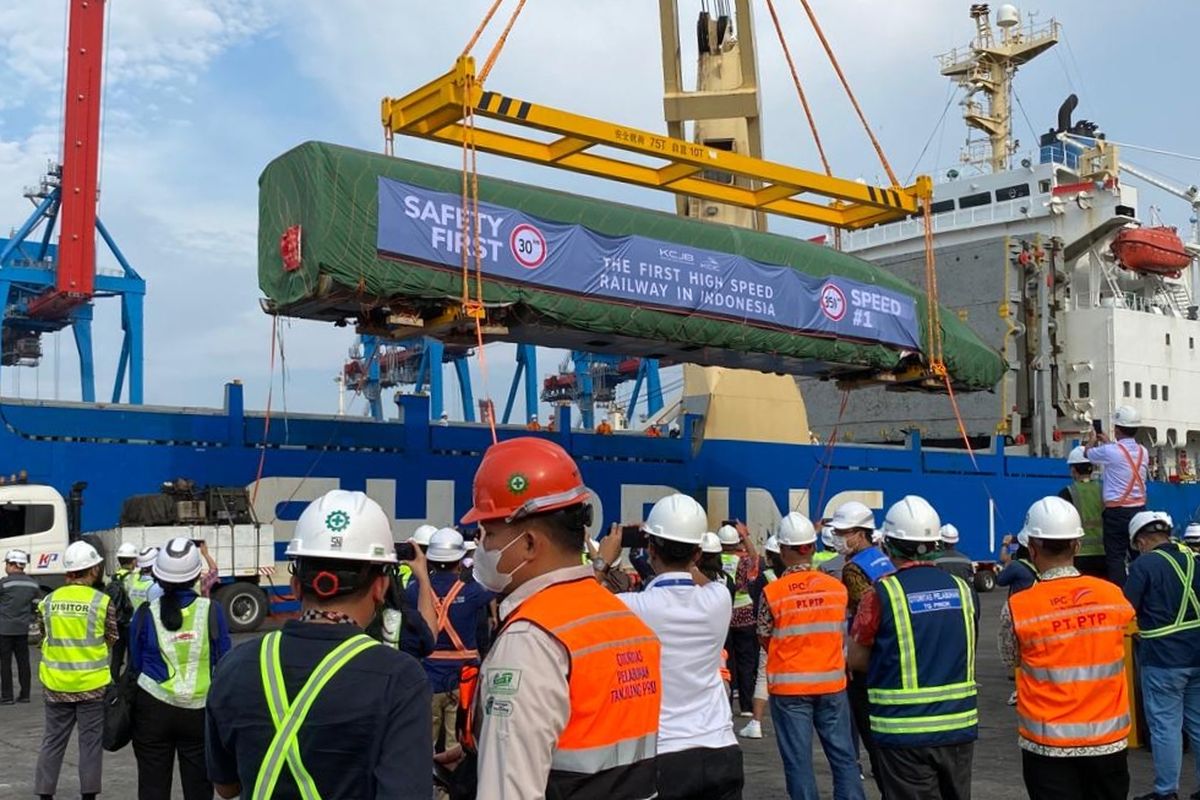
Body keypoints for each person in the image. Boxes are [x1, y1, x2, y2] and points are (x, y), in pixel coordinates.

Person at [438, 437, 661, 800]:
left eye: (490, 533)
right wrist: (480, 752)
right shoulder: (626, 621)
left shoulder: (530, 640)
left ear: (529, 544)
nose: (482, 546)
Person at [205, 490, 432, 799]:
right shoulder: (400, 678)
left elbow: (226, 786)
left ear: (297, 586)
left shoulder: (235, 665)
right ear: (381, 586)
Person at [605, 493, 743, 800]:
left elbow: (582, 603)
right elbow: (698, 578)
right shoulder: (718, 598)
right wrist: (683, 548)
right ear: (697, 552)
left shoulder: (632, 606)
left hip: (666, 753)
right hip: (721, 747)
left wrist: (603, 560)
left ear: (650, 549)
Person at [999, 496, 1135, 800]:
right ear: (1077, 545)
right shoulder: (1113, 595)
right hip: (1108, 742)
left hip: (1048, 747)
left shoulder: (1019, 606)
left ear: (1032, 548)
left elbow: (1011, 658)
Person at [848, 495, 978, 800]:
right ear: (934, 544)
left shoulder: (881, 594)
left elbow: (856, 658)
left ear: (887, 543)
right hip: (958, 726)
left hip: (903, 732)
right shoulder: (962, 589)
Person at [762, 512, 865, 800]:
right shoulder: (837, 588)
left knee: (799, 764)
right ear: (813, 547)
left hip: (790, 689)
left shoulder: (773, 592)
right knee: (844, 758)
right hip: (833, 685)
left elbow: (764, 636)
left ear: (782, 550)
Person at [129, 537, 232, 800]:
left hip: (153, 707)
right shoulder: (213, 611)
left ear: (158, 576)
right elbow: (224, 660)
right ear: (197, 574)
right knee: (199, 787)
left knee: (152, 786)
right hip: (199, 711)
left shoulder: (144, 614)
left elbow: (137, 664)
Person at [1124, 511, 1200, 800]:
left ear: (1142, 541)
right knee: (1198, 724)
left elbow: (1126, 608)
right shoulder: (1194, 560)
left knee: (1166, 726)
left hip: (1163, 660)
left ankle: (1166, 791)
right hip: (1197, 656)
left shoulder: (1144, 565)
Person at [34, 540, 117, 800]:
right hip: (91, 686)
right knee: (90, 743)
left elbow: (43, 636)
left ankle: (45, 793)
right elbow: (112, 636)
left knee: (52, 742)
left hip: (56, 685)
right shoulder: (102, 602)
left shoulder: (48, 601)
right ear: (92, 570)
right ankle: (88, 795)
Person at [828, 500, 894, 795]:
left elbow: (866, 612)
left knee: (871, 736)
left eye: (845, 531)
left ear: (861, 533)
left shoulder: (853, 569)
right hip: (889, 651)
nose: (840, 537)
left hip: (867, 658)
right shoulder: (882, 558)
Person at [417, 527, 493, 758]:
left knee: (424, 749)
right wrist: (481, 551)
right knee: (456, 747)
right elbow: (496, 585)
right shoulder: (473, 592)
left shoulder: (415, 591)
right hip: (464, 682)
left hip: (429, 681)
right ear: (460, 560)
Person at [1085, 405, 1150, 586]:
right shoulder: (1143, 452)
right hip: (1139, 510)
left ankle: (1121, 594)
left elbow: (1088, 454)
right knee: (1139, 552)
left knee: (1115, 557)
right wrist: (1108, 442)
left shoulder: (1110, 451)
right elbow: (1121, 455)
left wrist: (1092, 439)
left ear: (1117, 429)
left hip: (1116, 512)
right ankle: (1142, 590)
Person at [741, 534, 785, 740]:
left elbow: (758, 605)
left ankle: (756, 722)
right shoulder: (799, 575)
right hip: (796, 634)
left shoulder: (763, 578)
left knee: (762, 676)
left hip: (771, 633)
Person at [717, 522, 760, 719]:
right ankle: (746, 706)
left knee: (727, 661)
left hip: (723, 614)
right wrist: (746, 537)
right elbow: (755, 559)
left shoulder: (714, 561)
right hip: (743, 614)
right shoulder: (741, 562)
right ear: (736, 543)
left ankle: (727, 701)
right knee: (746, 662)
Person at [1059, 445, 1107, 577]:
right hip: (1104, 552)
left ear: (1074, 470)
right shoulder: (1105, 490)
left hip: (1079, 554)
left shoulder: (1067, 493)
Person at [0, 548, 40, 704]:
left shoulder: (4, 583)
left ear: (12, 564)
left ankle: (7, 696)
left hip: (4, 629)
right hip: (23, 629)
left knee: (5, 664)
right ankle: (25, 695)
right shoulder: (33, 584)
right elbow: (36, 606)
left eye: (7, 564)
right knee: (23, 662)